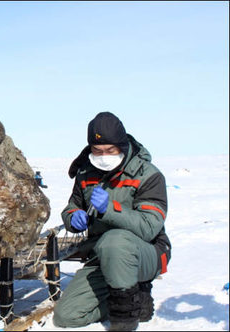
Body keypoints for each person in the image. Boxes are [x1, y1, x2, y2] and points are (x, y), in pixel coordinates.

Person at [52, 112, 171, 331]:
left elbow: (148, 227)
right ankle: (132, 297)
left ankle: (125, 318)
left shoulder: (149, 176)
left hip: (147, 253)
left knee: (114, 241)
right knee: (66, 316)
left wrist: (110, 210)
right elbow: (73, 206)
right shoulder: (85, 174)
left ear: (122, 146)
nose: (103, 156)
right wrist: (72, 217)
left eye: (110, 150)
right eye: (97, 151)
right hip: (102, 254)